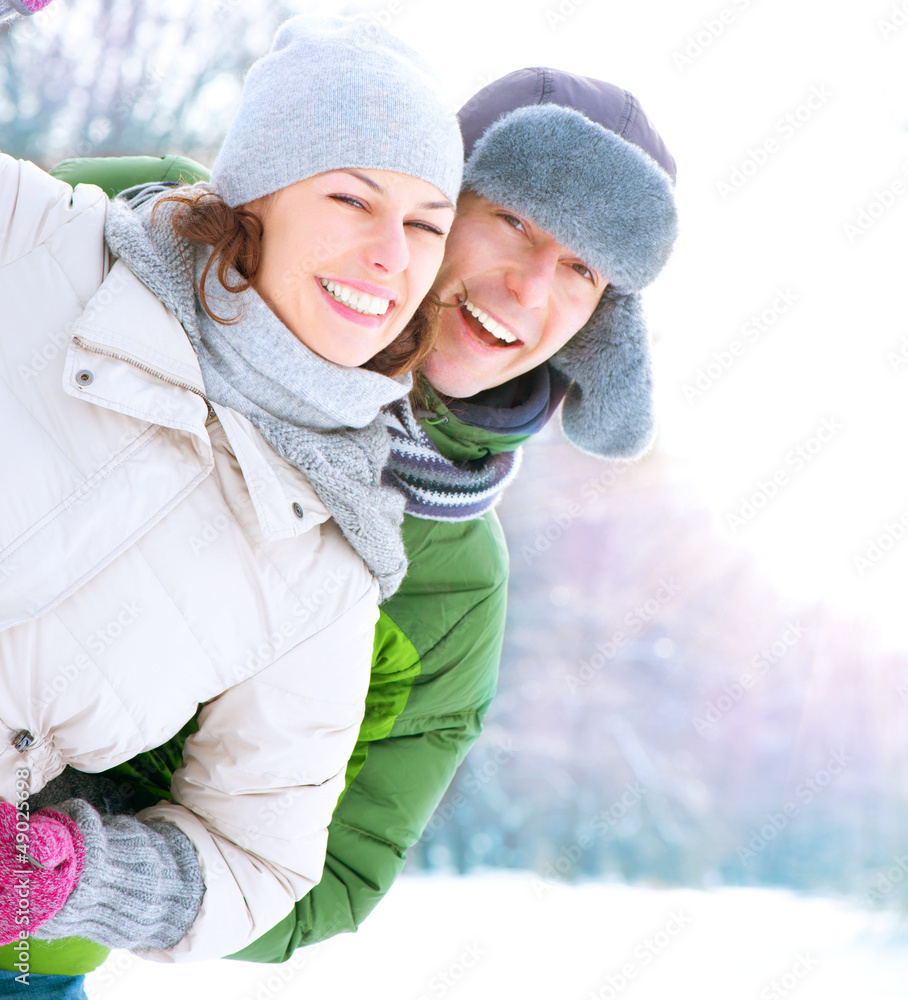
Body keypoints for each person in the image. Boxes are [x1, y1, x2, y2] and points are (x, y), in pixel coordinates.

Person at [0, 66, 677, 990]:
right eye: (513, 220)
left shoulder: (433, 576)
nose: (527, 289)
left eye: (583, 269)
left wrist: (77, 845)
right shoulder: (161, 217)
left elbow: (324, 877)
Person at [0, 10, 463, 983]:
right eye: (351, 197)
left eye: (426, 224)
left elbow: (257, 855)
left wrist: (71, 874)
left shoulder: (329, 557)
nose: (392, 255)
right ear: (253, 193)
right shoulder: (38, 241)